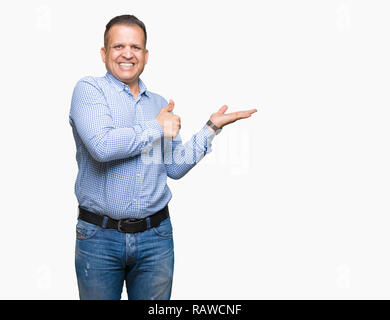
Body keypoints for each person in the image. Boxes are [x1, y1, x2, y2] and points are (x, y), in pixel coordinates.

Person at [69, 14, 257, 300]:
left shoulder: (158, 104)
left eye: (135, 47)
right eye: (118, 46)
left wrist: (211, 128)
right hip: (99, 238)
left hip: (155, 238)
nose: (127, 54)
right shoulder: (89, 91)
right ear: (104, 53)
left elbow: (175, 167)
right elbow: (102, 146)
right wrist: (157, 126)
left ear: (146, 55)